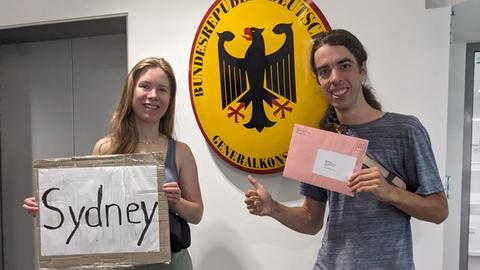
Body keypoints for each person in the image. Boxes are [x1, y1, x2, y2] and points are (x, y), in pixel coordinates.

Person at [244, 29, 448, 270]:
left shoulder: (406, 130)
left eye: (344, 66)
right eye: (324, 71)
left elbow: (439, 211)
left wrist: (390, 192)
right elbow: (311, 221)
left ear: (362, 70)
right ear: (319, 81)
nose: (334, 78)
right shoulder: (320, 140)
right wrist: (273, 208)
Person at [23, 57, 203, 270]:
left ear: (169, 98)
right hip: (121, 264)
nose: (153, 95)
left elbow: (197, 213)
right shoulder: (105, 148)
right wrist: (50, 209)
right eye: (145, 86)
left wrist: (177, 202)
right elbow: (89, 208)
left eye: (162, 89)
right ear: (131, 92)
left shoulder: (181, 152)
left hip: (172, 263)